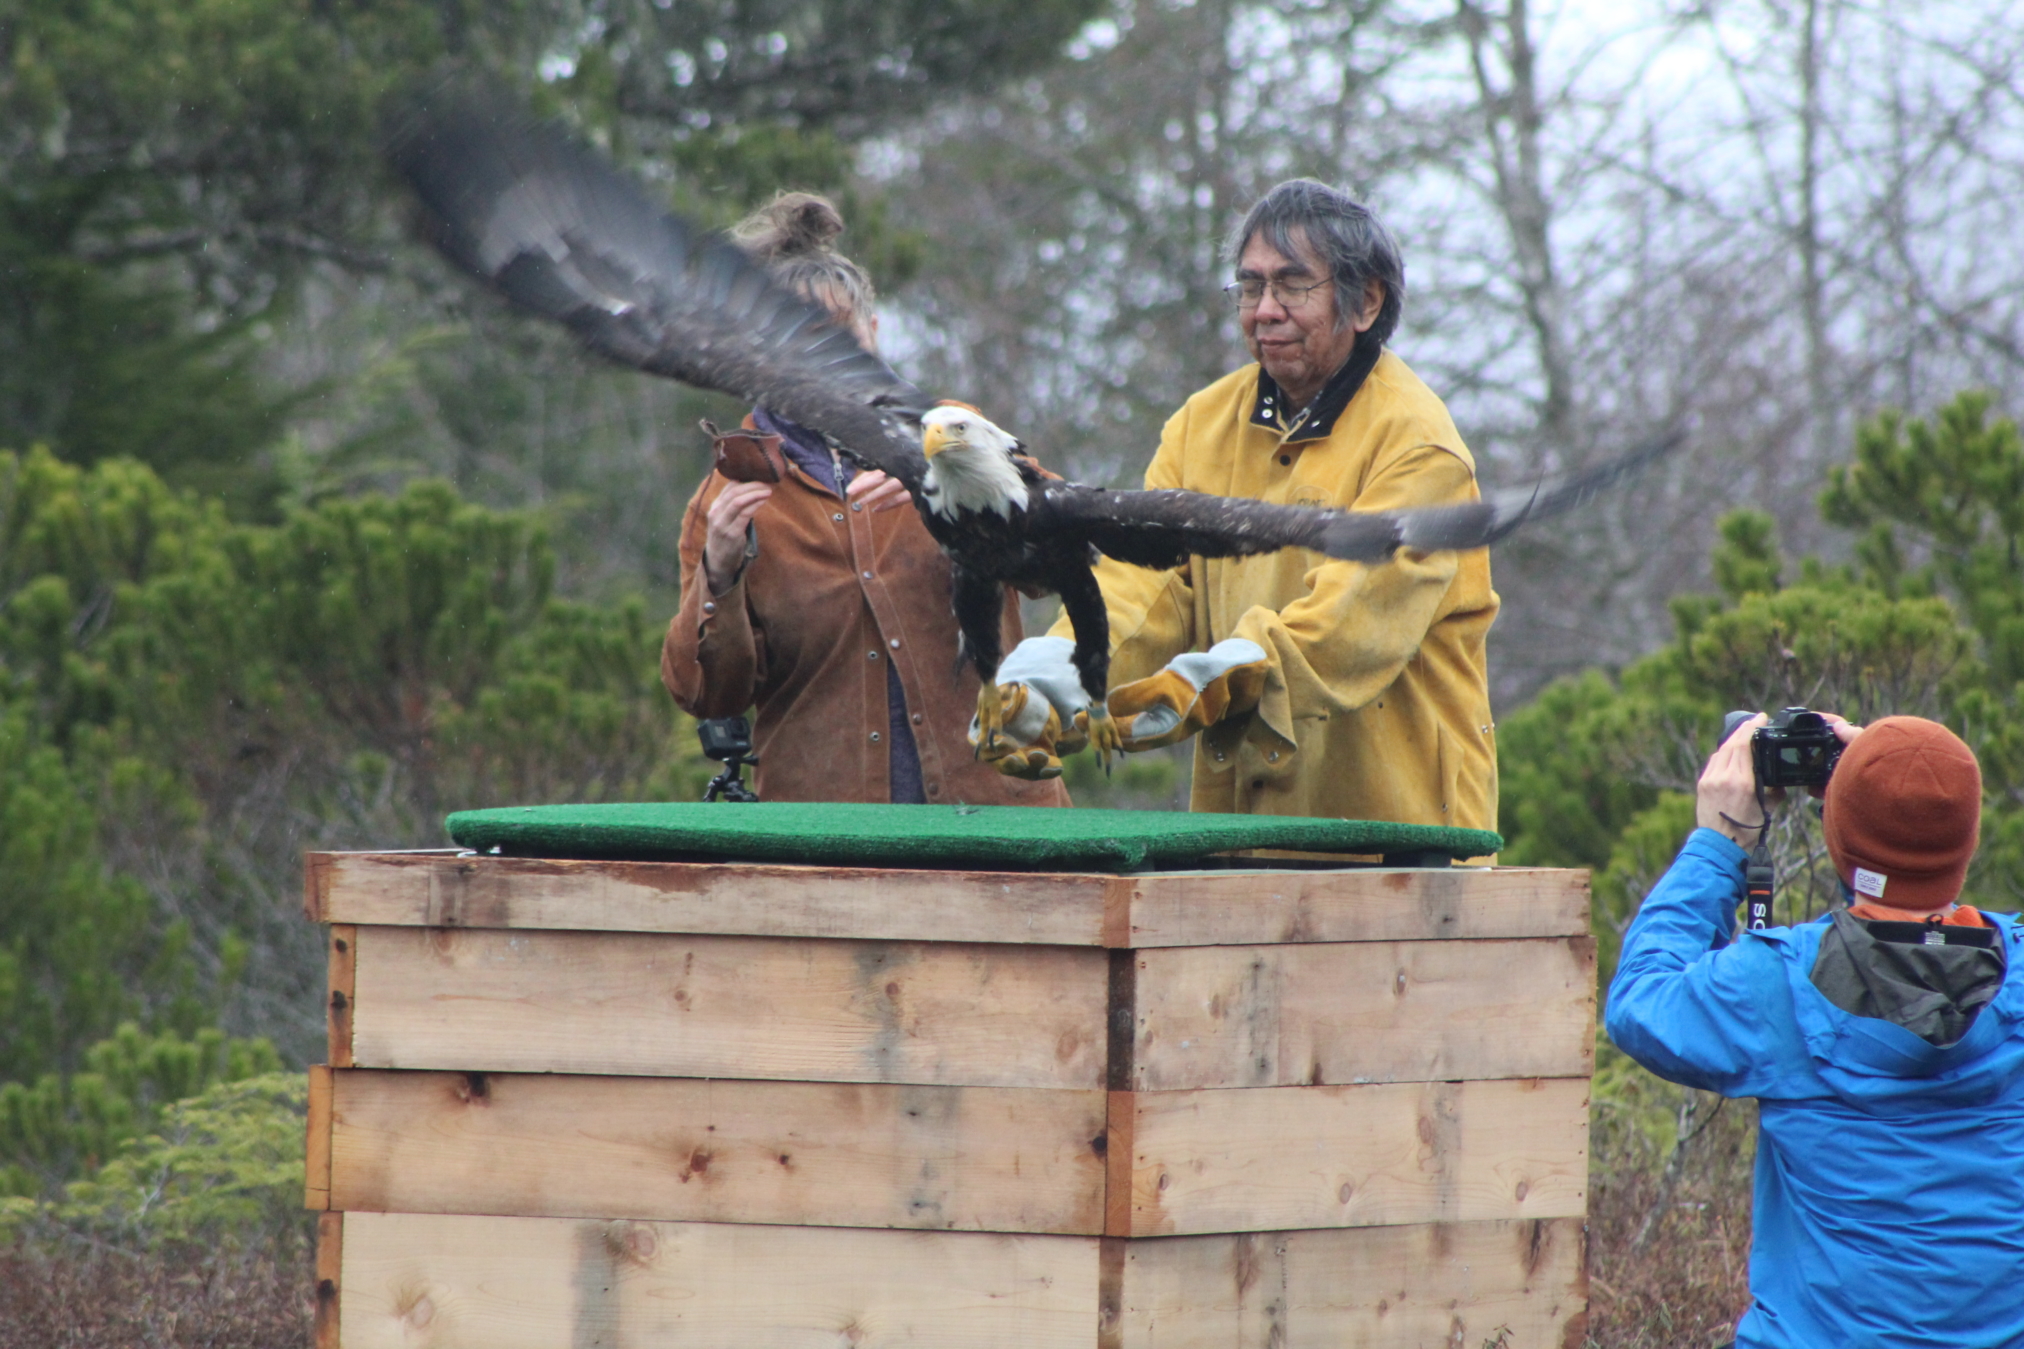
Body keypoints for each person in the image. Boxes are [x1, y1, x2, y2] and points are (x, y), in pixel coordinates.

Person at [979, 179, 1497, 830]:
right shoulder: (1202, 425)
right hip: (1238, 834)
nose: (1265, 310)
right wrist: (1058, 672)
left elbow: (1346, 628)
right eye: (1250, 288)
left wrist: (1216, 678)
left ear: (1366, 301)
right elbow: (1150, 583)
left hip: (1404, 843)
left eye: (1292, 285)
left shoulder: (1418, 445)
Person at [1607, 713, 2024, 1348]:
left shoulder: (1777, 984)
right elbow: (1901, 925)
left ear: (1841, 834)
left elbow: (1641, 1002)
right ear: (1965, 843)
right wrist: (1891, 805)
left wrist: (1717, 845)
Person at [662, 192, 1068, 808]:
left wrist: (957, 498)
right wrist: (720, 579)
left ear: (872, 335)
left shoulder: (955, 439)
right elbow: (706, 695)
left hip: (998, 826)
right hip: (827, 845)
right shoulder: (729, 493)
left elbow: (1070, 548)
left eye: (839, 334)